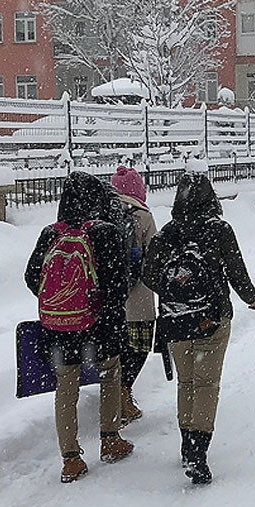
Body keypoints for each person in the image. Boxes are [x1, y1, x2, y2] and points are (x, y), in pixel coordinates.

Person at [142, 171, 255, 485]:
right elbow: (236, 269)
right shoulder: (219, 230)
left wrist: (175, 288)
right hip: (211, 318)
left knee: (187, 383)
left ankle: (186, 444)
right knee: (207, 385)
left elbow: (148, 274)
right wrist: (250, 296)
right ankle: (198, 452)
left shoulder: (166, 234)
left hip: (175, 320)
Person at [24, 171, 134, 483]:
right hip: (98, 326)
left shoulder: (50, 234)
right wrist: (100, 311)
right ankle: (110, 439)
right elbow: (118, 284)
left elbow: (32, 277)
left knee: (65, 387)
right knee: (111, 374)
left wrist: (61, 300)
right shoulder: (105, 232)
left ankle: (70, 459)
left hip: (58, 328)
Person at [110, 165, 158, 426]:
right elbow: (155, 256)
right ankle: (124, 393)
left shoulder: (104, 213)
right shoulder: (143, 216)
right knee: (138, 348)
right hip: (138, 298)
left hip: (110, 298)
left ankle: (115, 394)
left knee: (115, 349)